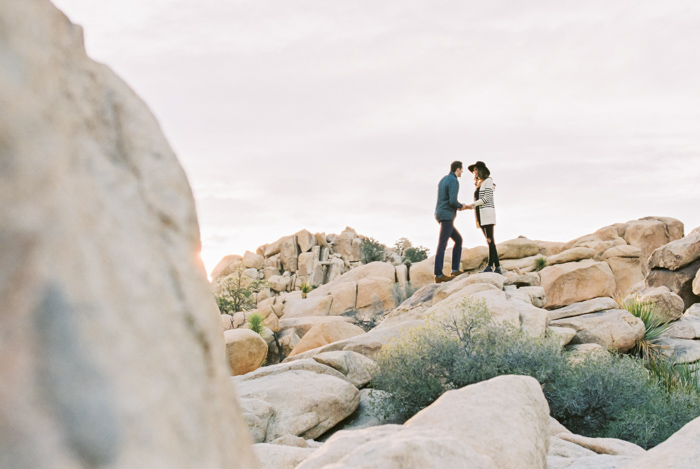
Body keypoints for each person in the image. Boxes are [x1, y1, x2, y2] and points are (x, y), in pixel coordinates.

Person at [434, 161, 469, 283]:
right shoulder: (454, 180)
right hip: (446, 215)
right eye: (462, 169)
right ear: (458, 169)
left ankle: (455, 270)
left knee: (458, 240)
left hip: (440, 213)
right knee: (442, 244)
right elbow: (453, 201)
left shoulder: (443, 179)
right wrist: (462, 206)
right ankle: (438, 275)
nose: (462, 171)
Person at [465, 161, 502, 274]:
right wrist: (469, 207)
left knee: (490, 240)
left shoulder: (488, 181)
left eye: (476, 170)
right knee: (489, 241)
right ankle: (497, 267)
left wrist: (471, 205)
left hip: (487, 214)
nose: (474, 172)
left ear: (481, 170)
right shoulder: (479, 184)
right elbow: (478, 201)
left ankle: (491, 266)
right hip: (480, 215)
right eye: (474, 170)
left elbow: (486, 198)